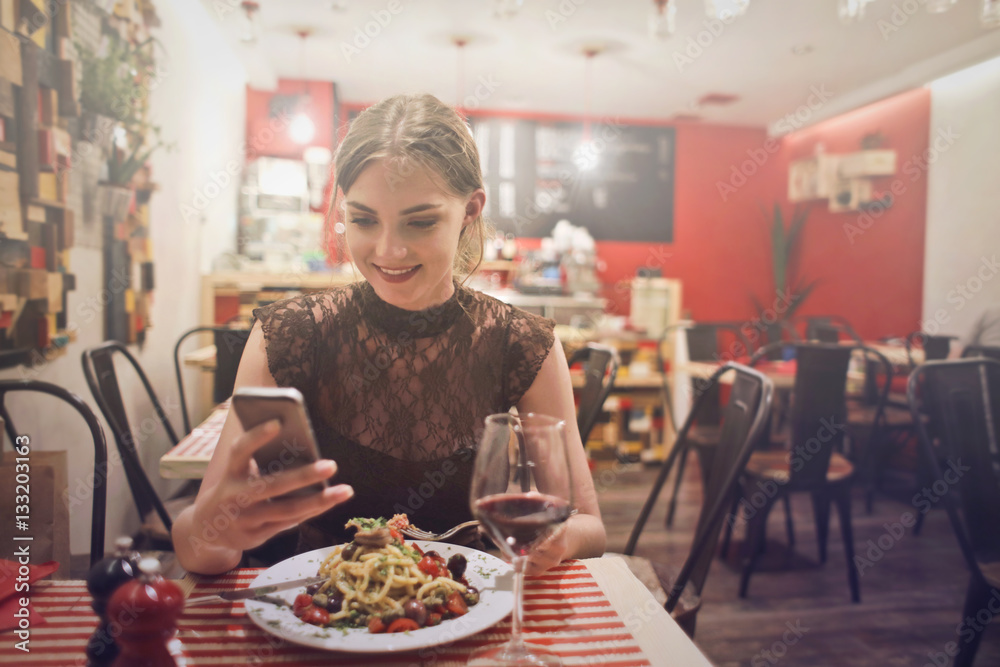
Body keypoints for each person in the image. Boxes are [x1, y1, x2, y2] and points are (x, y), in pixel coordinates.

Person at [172, 93, 606, 576]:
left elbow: (590, 525)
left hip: (459, 615)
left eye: (420, 221)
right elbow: (199, 550)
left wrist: (559, 540)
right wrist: (214, 530)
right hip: (322, 620)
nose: (389, 249)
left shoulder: (521, 344)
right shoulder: (287, 336)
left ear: (470, 211)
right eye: (362, 219)